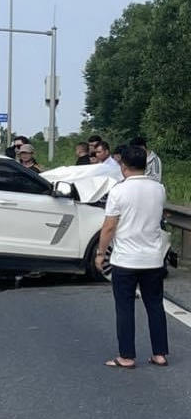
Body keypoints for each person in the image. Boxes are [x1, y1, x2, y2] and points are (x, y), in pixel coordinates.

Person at [96, 145, 169, 369]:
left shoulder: (119, 190)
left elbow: (109, 227)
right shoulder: (159, 189)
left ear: (123, 165)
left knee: (125, 307)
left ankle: (126, 356)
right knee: (155, 305)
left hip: (126, 259)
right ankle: (160, 353)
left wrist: (100, 254)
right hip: (153, 258)